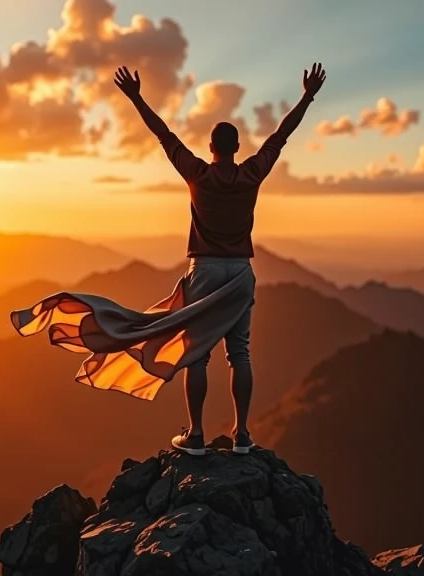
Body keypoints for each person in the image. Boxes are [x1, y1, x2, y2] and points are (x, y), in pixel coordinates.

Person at [113, 62, 327, 456]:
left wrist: (136, 98)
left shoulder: (198, 174)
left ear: (212, 149)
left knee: (198, 354)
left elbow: (164, 135)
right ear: (237, 149)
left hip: (205, 270)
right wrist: (307, 96)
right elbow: (280, 137)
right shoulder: (251, 174)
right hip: (240, 272)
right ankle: (243, 435)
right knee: (239, 353)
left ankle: (195, 436)